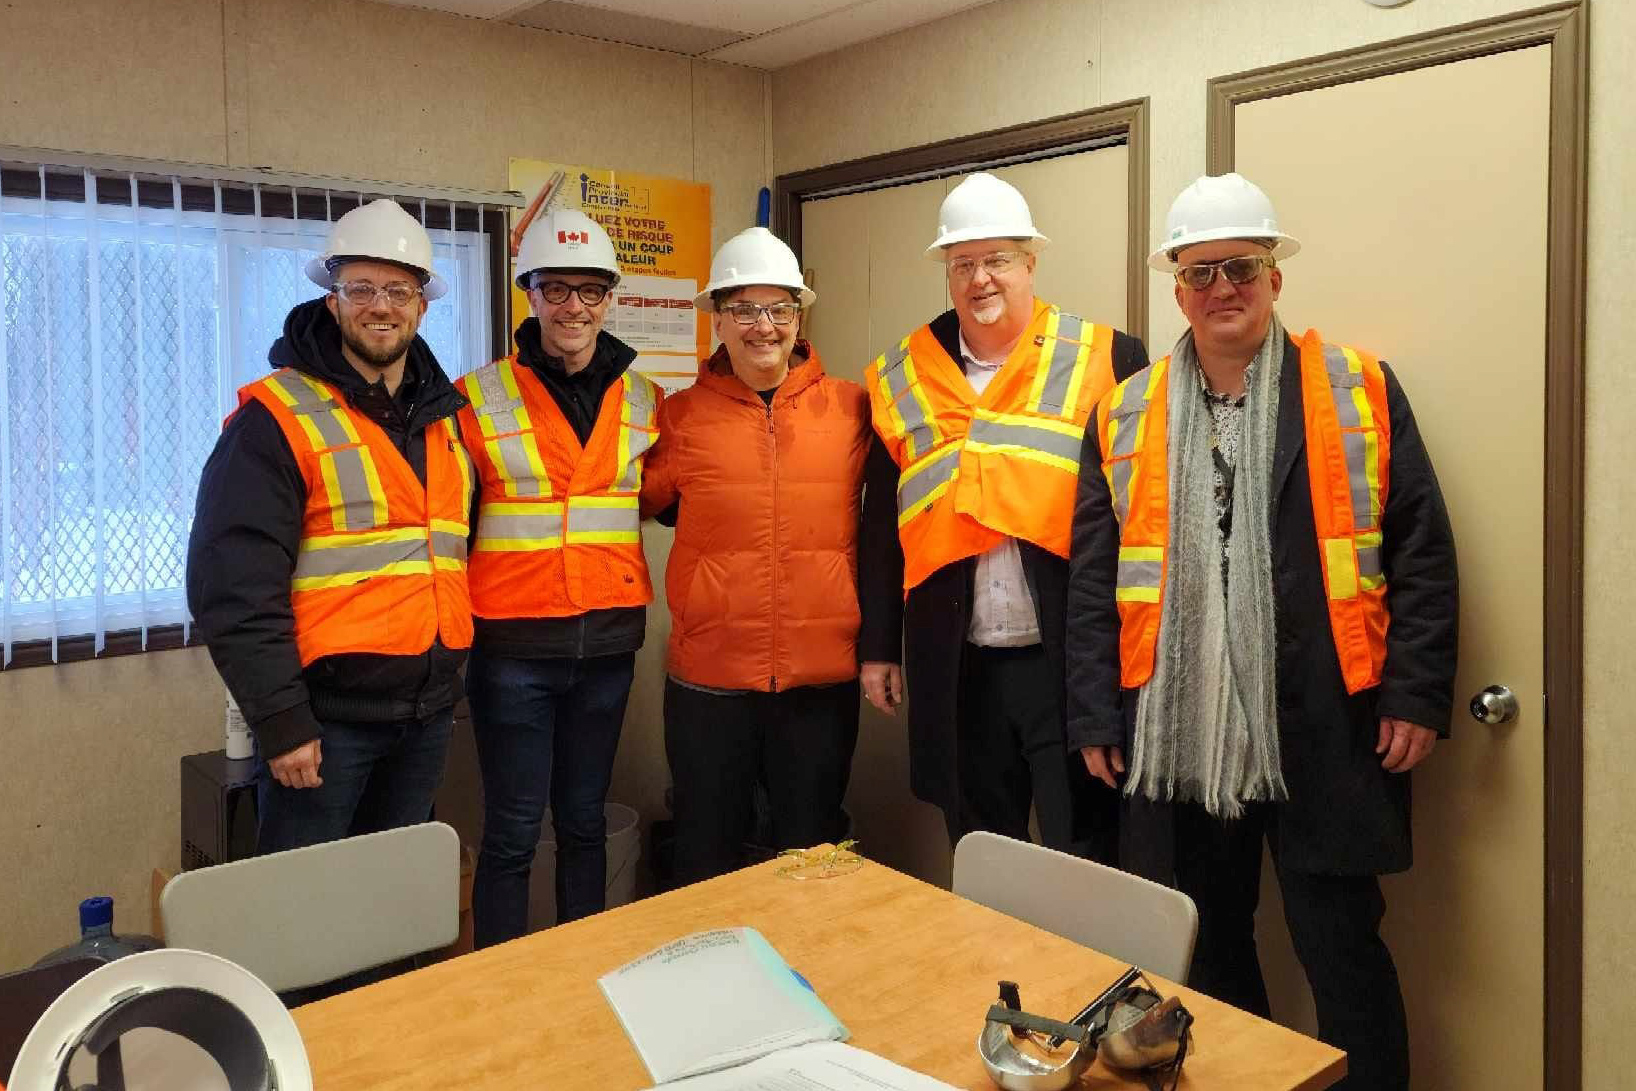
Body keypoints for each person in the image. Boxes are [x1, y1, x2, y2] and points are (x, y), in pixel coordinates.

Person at [1066, 172, 1458, 1090]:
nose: (1222, 288)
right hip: (1180, 729)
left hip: (1327, 720)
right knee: (1205, 951)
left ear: (1274, 277)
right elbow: (1093, 580)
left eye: (1241, 267)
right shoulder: (1125, 411)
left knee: (1342, 948)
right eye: (1200, 273)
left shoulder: (1357, 389)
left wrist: (1415, 691)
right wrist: (1093, 712)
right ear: (1178, 291)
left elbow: (1422, 550)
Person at [858, 172, 1148, 860]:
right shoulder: (902, 374)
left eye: (997, 259)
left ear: (1030, 262)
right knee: (982, 853)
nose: (980, 278)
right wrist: (879, 645)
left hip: (1069, 662)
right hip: (959, 664)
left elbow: (1140, 519)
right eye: (962, 263)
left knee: (1088, 850)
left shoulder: (1108, 357)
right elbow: (881, 527)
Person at [188, 198, 473, 854]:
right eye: (361, 288)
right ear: (332, 300)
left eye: (398, 290)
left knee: (393, 901)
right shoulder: (275, 419)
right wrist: (282, 720)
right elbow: (233, 587)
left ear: (422, 306)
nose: (381, 306)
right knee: (307, 908)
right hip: (324, 729)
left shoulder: (444, 419)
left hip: (425, 716)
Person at [640, 227, 872, 884]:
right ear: (717, 320)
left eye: (778, 309)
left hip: (819, 683)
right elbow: (641, 498)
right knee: (707, 856)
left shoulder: (852, 408)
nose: (762, 326)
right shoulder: (679, 417)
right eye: (743, 309)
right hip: (708, 683)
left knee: (813, 859)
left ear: (799, 318)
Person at [456, 209, 662, 946]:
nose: (574, 307)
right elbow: (447, 525)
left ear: (609, 298)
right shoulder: (475, 397)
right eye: (556, 289)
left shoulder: (646, 399)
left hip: (606, 648)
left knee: (585, 822)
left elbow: (667, 496)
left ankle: (580, 971)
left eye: (590, 290)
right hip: (512, 651)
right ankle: (503, 981)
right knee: (512, 831)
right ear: (531, 294)